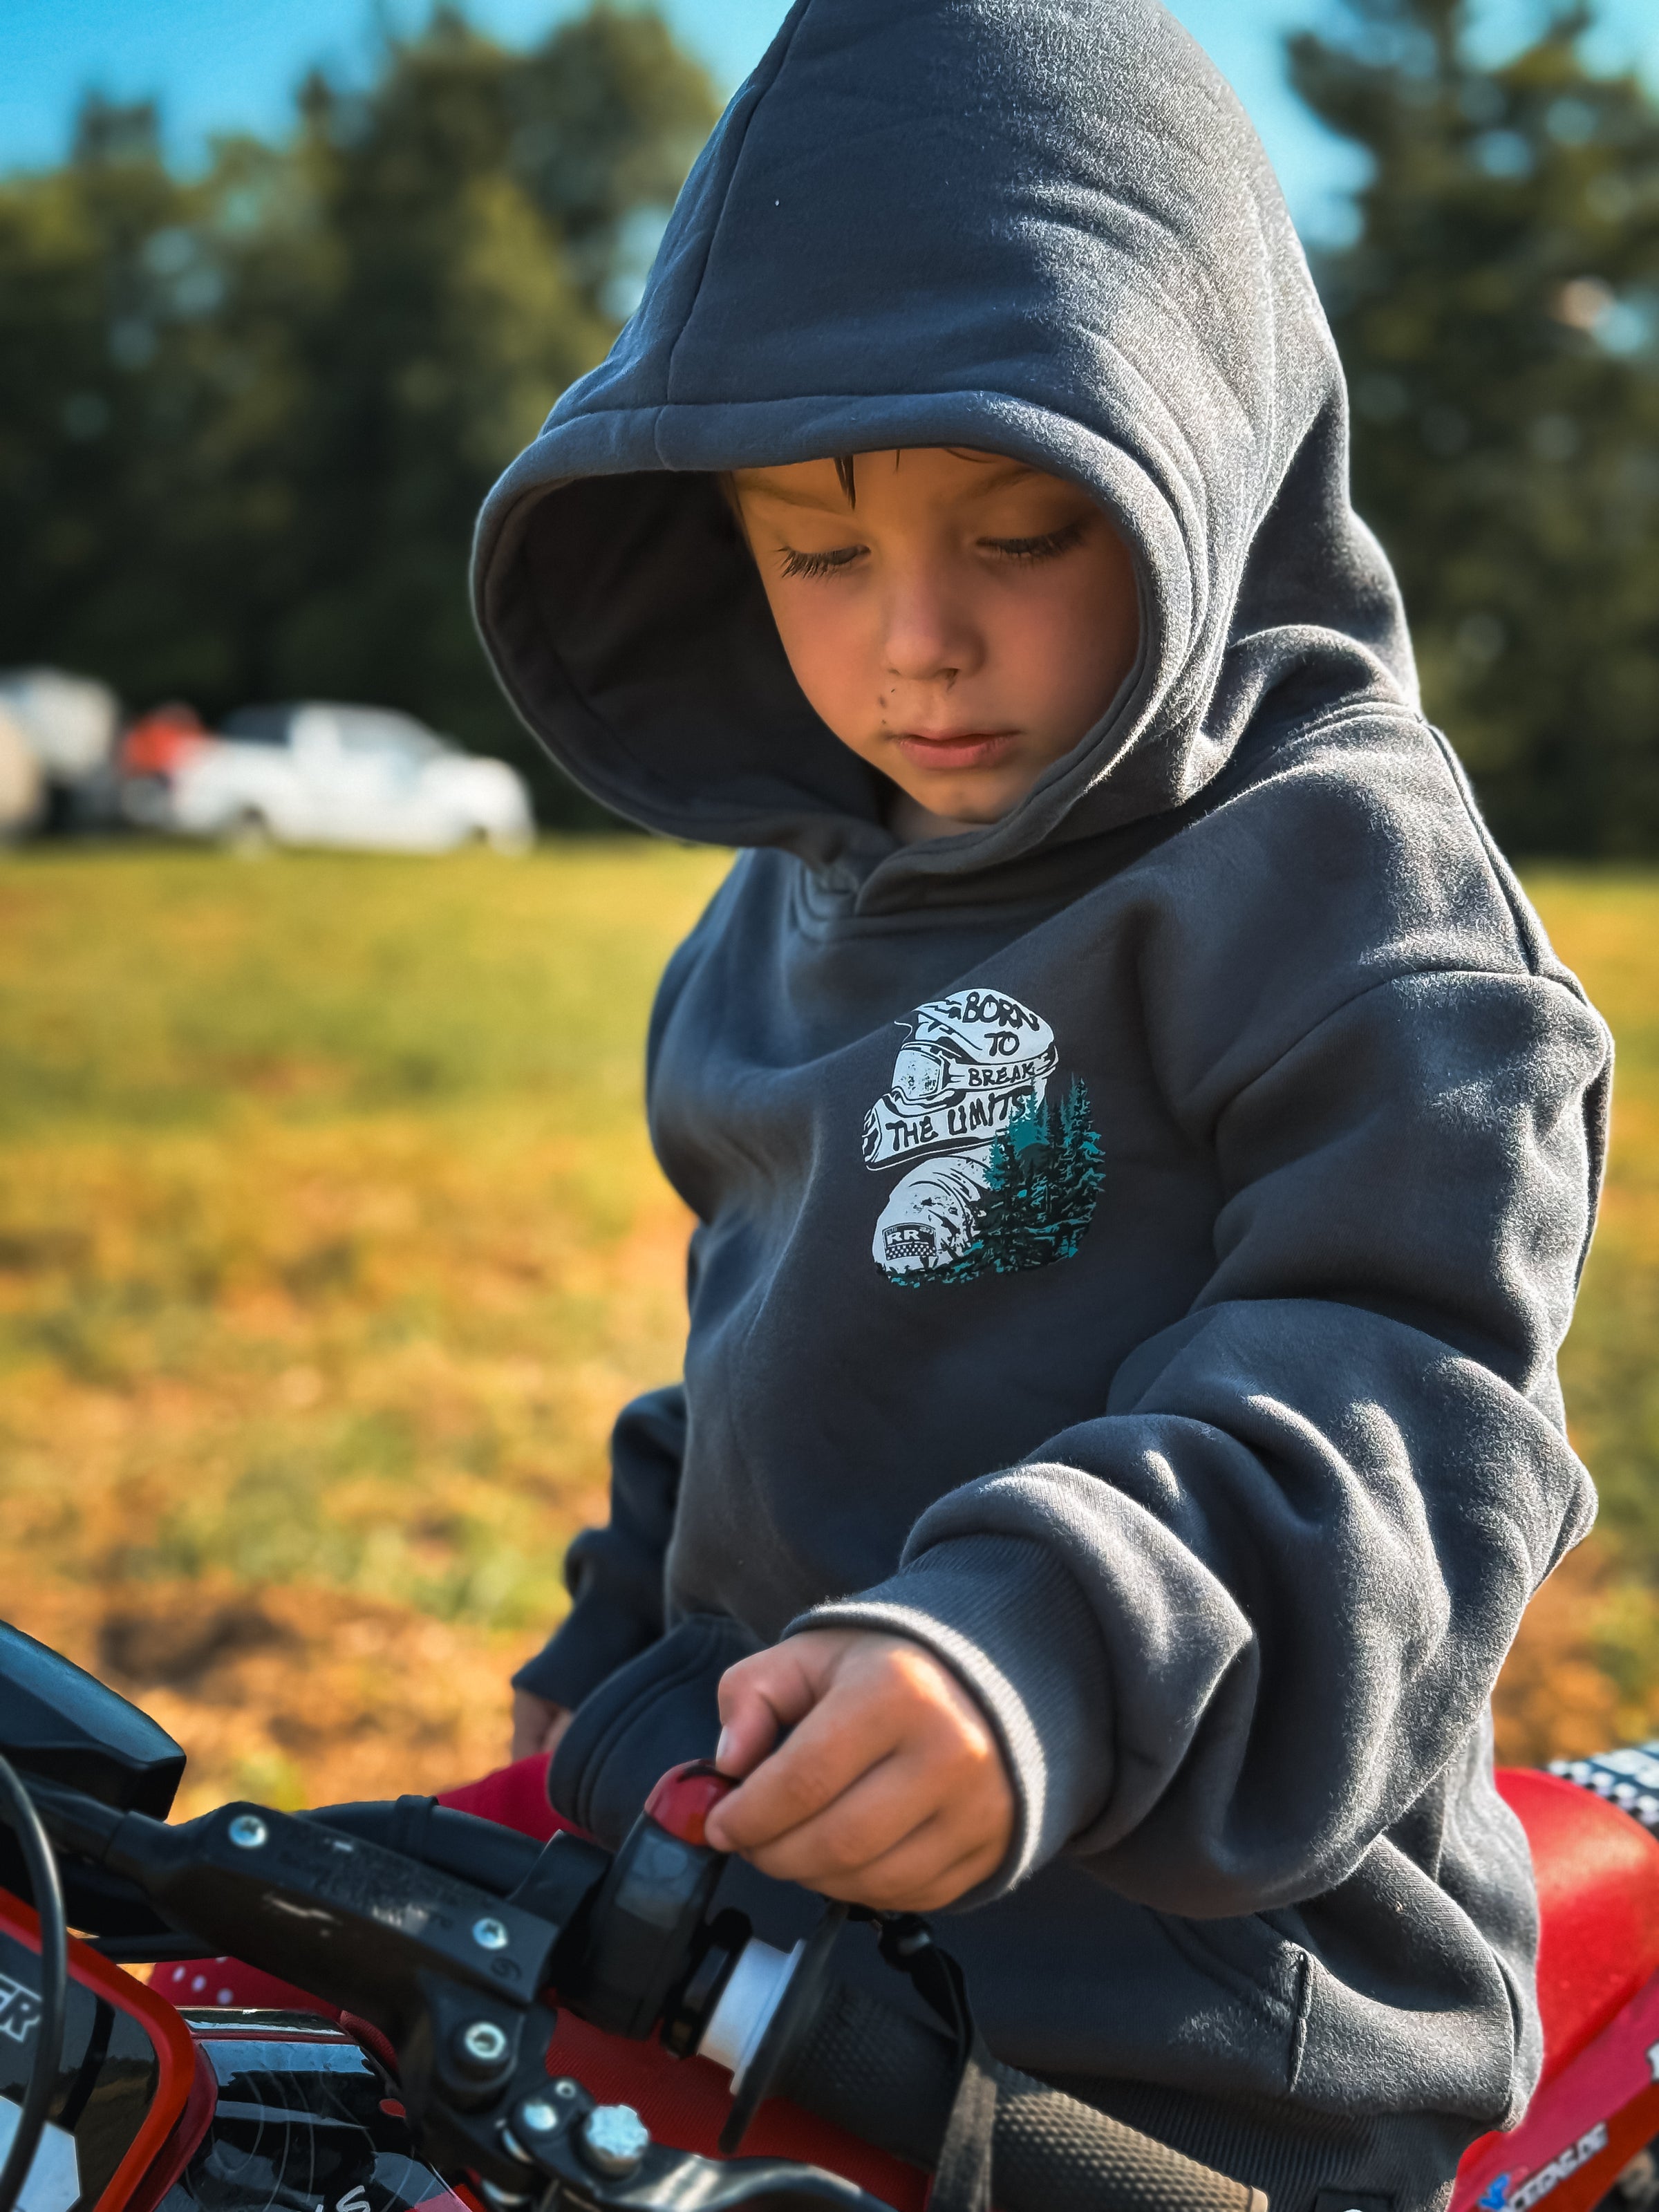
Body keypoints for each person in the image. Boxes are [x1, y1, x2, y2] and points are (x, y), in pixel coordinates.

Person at [469, 3, 1610, 2206]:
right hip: (770, 1936)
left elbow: (1407, 1399)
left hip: (1193, 2037)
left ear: (1208, 461)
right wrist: (618, 1631)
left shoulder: (1341, 882)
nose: (917, 643)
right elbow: (764, 1328)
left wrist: (1039, 1654)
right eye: (817, 552)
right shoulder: (781, 903)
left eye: (1020, 530)